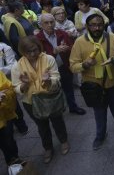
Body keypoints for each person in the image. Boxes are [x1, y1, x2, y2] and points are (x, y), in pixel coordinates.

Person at [70, 14, 114, 151]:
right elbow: (73, 66)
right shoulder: (79, 42)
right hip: (94, 85)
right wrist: (85, 65)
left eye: (99, 24)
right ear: (87, 26)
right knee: (99, 112)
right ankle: (100, 135)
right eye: (93, 25)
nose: (97, 27)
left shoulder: (111, 38)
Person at [11, 36, 69, 164]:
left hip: (50, 97)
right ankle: (48, 148)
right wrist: (25, 84)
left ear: (39, 47)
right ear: (22, 52)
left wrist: (49, 81)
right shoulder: (17, 66)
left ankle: (64, 141)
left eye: (35, 50)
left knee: (57, 121)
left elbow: (56, 78)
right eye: (28, 52)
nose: (32, 54)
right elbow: (16, 87)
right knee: (42, 126)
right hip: (31, 102)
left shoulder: (49, 59)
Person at [36, 14, 85, 115]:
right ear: (41, 25)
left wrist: (68, 49)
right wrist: (54, 52)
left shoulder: (62, 33)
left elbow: (72, 48)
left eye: (52, 22)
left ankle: (73, 107)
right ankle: (58, 109)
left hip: (64, 67)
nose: (50, 25)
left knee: (69, 89)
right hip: (48, 71)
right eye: (46, 23)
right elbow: (38, 57)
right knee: (53, 91)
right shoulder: (37, 38)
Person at [0, 71, 25, 167]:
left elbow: (10, 89)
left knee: (9, 140)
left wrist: (4, 94)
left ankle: (15, 161)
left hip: (6, 116)